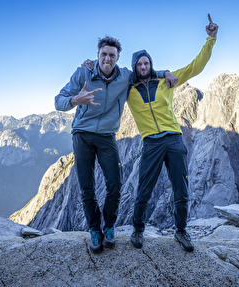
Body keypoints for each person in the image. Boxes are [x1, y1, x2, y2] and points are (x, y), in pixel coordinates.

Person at [55, 36, 177, 254]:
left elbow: (145, 72)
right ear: (97, 55)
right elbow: (58, 100)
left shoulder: (125, 76)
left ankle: (109, 226)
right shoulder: (83, 73)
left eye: (112, 55)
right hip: (82, 134)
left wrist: (165, 72)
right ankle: (95, 230)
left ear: (118, 58)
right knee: (86, 187)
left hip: (107, 136)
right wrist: (75, 100)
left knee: (115, 183)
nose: (107, 59)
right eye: (104, 54)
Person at [128, 14, 219, 252]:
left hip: (174, 139)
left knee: (181, 187)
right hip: (151, 143)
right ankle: (137, 229)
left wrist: (210, 39)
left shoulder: (164, 82)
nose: (144, 67)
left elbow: (194, 68)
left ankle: (181, 231)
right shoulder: (128, 90)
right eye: (139, 64)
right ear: (135, 68)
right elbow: (106, 77)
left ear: (151, 65)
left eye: (146, 63)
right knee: (144, 187)